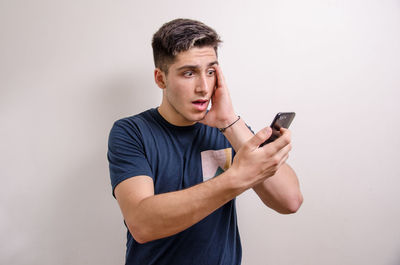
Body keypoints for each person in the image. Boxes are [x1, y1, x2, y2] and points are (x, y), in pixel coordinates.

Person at [107, 18, 303, 265]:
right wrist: (237, 177)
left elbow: (290, 201)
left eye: (210, 71)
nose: (203, 87)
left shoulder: (227, 128)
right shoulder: (131, 131)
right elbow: (142, 223)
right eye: (189, 73)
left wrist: (230, 121)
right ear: (161, 79)